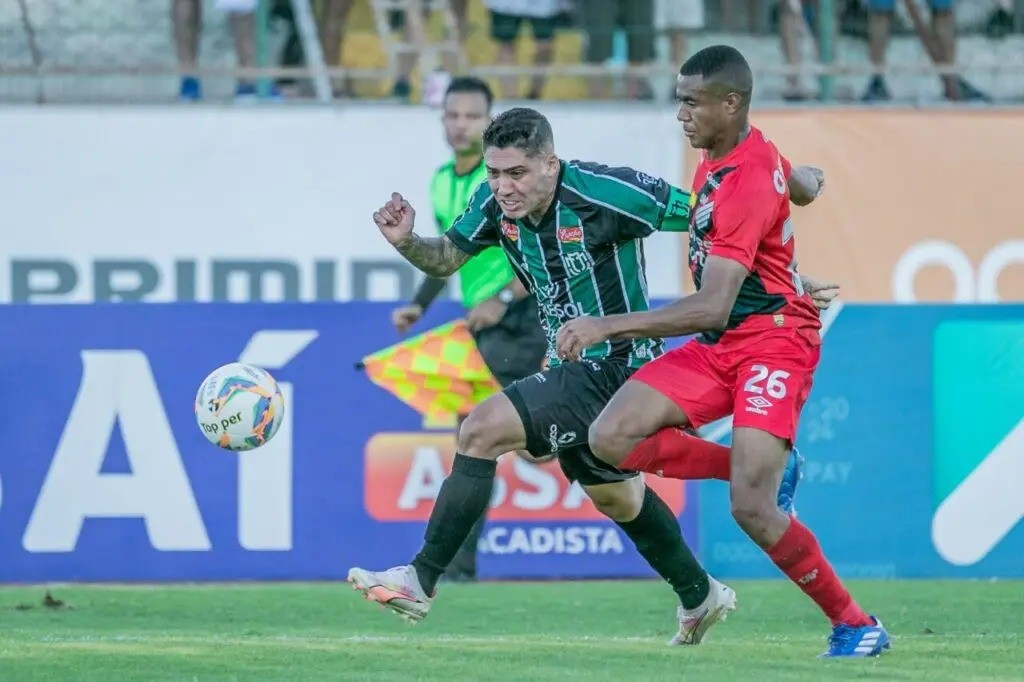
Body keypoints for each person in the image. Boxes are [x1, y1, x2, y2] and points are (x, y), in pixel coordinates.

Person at [350, 106, 836, 645]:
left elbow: (712, 218)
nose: (503, 187)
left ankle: (420, 579)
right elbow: (445, 258)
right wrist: (407, 242)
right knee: (616, 498)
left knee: (480, 430)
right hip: (570, 364)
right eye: (494, 173)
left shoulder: (607, 192)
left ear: (550, 162)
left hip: (622, 361)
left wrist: (779, 275)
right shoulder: (493, 204)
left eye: (517, 173)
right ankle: (700, 592)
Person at [557, 45, 890, 658]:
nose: (680, 115)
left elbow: (711, 304)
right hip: (724, 341)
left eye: (691, 103)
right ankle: (755, 466)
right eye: (679, 101)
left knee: (753, 511)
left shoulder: (740, 184)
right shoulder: (738, 152)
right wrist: (803, 194)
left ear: (730, 103)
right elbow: (799, 183)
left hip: (773, 341)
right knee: (608, 439)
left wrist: (606, 326)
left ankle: (856, 624)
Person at [389, 76, 549, 582]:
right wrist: (418, 304)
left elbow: (543, 253)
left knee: (499, 442)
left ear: (489, 122)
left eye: (472, 117)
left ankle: (624, 438)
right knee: (488, 442)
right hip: (482, 325)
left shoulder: (506, 180)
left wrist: (502, 299)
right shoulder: (441, 181)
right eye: (453, 116)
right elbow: (452, 253)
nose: (461, 125)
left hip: (519, 319)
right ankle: (458, 567)